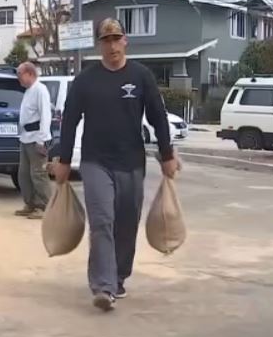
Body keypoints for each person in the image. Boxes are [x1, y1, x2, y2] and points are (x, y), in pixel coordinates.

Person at [54, 18, 181, 311]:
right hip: (95, 161)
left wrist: (167, 155)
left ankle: (119, 276)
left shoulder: (141, 76)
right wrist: (62, 160)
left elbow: (158, 118)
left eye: (116, 39)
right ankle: (103, 286)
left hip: (132, 162)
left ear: (125, 41)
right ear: (100, 44)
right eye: (106, 40)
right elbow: (70, 119)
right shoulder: (86, 80)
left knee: (126, 223)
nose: (112, 45)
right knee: (102, 222)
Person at [14, 62, 53, 220]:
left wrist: (41, 140)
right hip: (25, 137)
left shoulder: (40, 89)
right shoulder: (28, 91)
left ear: (29, 73)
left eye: (20, 75)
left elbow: (45, 115)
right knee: (24, 174)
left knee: (38, 173)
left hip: (37, 136)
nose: (19, 79)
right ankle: (31, 203)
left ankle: (46, 206)